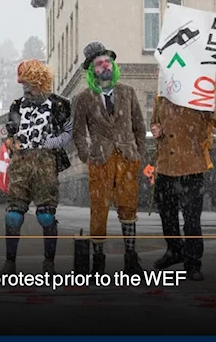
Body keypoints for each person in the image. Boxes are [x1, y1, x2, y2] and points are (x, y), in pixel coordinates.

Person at [72, 41, 146, 275]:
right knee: (99, 210)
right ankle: (98, 263)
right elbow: (78, 131)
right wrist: (86, 155)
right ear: (92, 70)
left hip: (126, 159)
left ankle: (131, 260)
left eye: (107, 61)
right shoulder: (84, 98)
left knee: (128, 207)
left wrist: (138, 155)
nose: (104, 66)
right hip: (100, 161)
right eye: (99, 63)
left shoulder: (128, 92)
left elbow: (139, 126)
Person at [0, 59, 73, 275]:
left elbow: (68, 132)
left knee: (45, 216)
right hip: (21, 163)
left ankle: (49, 262)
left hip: (45, 163)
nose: (26, 90)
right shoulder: (17, 105)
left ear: (40, 82)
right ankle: (10, 263)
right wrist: (11, 143)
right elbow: (10, 132)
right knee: (13, 216)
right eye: (24, 85)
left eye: (29, 85)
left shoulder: (59, 104)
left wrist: (52, 143)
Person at [150, 93, 216, 280]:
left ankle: (193, 262)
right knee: (167, 215)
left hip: (192, 166)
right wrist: (157, 129)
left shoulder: (198, 94)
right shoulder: (161, 98)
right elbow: (154, 121)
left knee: (191, 219)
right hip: (166, 166)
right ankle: (174, 250)